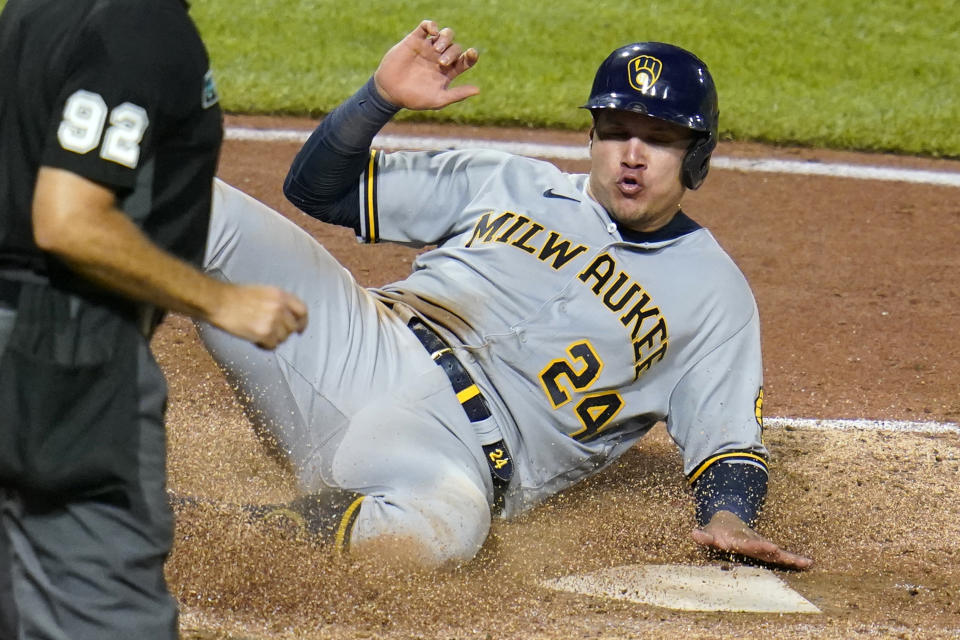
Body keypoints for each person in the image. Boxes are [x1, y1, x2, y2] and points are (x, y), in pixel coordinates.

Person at [196, 20, 813, 571]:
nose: (631, 155)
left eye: (658, 139)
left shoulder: (716, 295)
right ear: (592, 136)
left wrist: (729, 519)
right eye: (616, 130)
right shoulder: (510, 180)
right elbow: (317, 191)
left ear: (696, 155)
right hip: (353, 344)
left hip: (449, 458)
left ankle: (205, 528)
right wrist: (379, 99)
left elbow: (728, 444)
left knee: (442, 534)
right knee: (199, 209)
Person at [0, 0, 308, 638]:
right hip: (64, 360)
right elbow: (68, 218)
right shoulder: (140, 27)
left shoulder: (35, 9)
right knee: (107, 614)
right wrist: (222, 301)